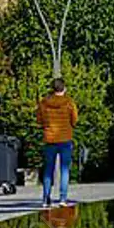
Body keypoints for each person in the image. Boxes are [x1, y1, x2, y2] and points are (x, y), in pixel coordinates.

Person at [37, 78, 78, 208]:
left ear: (52, 89)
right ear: (64, 88)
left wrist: (47, 126)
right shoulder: (69, 103)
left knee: (48, 169)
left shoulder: (44, 103)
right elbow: (75, 120)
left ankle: (46, 199)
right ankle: (62, 198)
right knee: (64, 170)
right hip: (65, 138)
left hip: (49, 139)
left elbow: (39, 120)